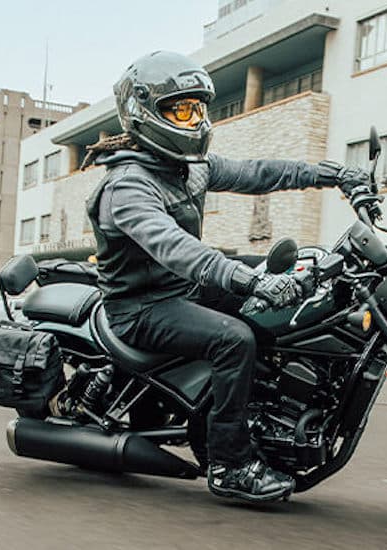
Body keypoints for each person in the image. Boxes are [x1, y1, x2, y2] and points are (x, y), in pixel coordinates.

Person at [84, 51, 368, 502]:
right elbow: (177, 250)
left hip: (184, 291)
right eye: (181, 109)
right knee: (235, 339)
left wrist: (332, 175)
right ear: (144, 113)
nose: (195, 119)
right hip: (140, 308)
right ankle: (230, 464)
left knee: (287, 306)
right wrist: (251, 280)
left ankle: (269, 416)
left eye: (199, 108)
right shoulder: (127, 186)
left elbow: (258, 173)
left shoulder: (189, 168)